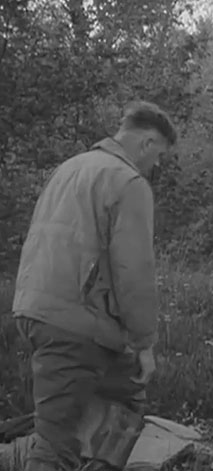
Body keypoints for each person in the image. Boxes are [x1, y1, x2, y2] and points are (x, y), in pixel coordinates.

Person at [11, 100, 177, 471]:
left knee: (123, 404)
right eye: (160, 154)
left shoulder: (68, 169)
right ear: (147, 143)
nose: (158, 165)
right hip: (77, 324)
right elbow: (133, 270)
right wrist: (145, 343)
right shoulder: (128, 181)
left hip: (39, 310)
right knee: (58, 443)